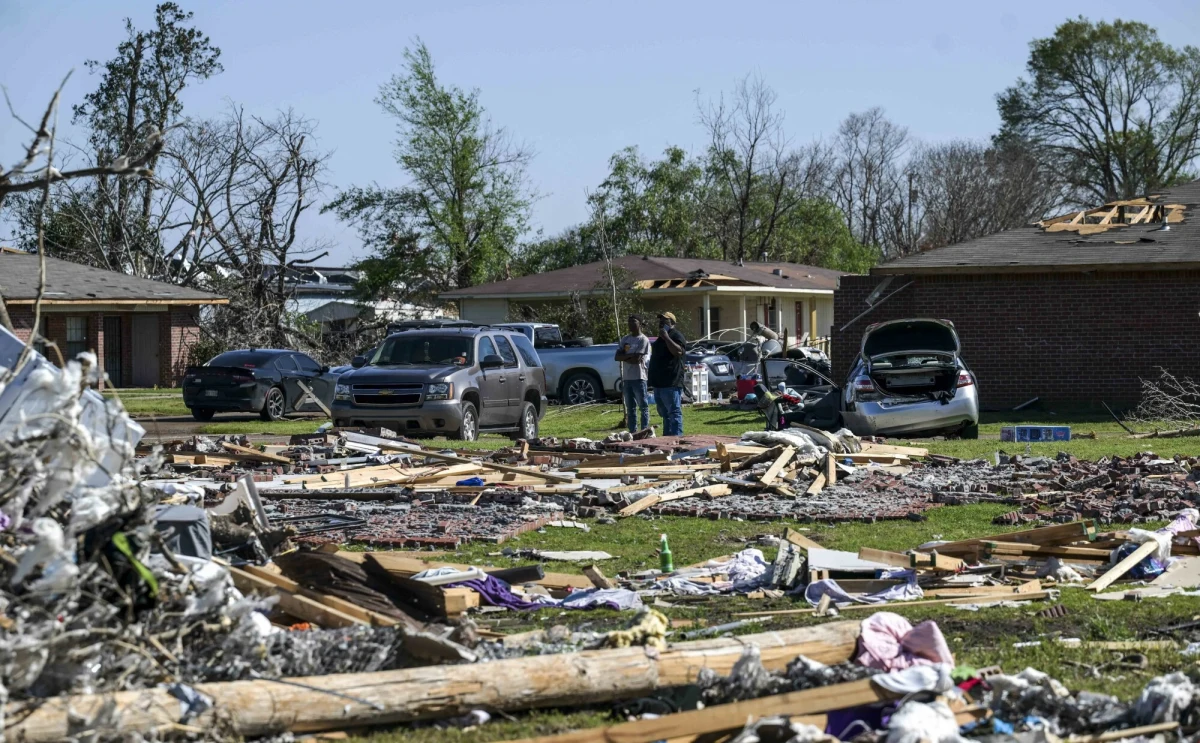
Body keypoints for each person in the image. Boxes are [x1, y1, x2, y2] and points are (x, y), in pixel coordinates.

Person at [648, 311, 687, 436]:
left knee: (674, 413)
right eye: (660, 320)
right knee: (664, 414)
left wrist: (666, 337)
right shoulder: (660, 338)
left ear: (672, 323)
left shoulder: (676, 335)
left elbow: (678, 352)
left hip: (671, 381)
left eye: (665, 320)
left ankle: (676, 439)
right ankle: (667, 439)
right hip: (659, 382)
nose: (661, 322)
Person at [614, 315, 651, 432]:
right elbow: (616, 357)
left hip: (639, 377)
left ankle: (644, 431)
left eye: (633, 321)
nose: (630, 324)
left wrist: (624, 356)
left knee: (643, 406)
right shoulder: (625, 339)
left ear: (639, 323)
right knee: (630, 408)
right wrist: (630, 355)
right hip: (627, 378)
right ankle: (633, 432)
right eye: (628, 321)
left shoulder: (643, 340)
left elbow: (637, 360)